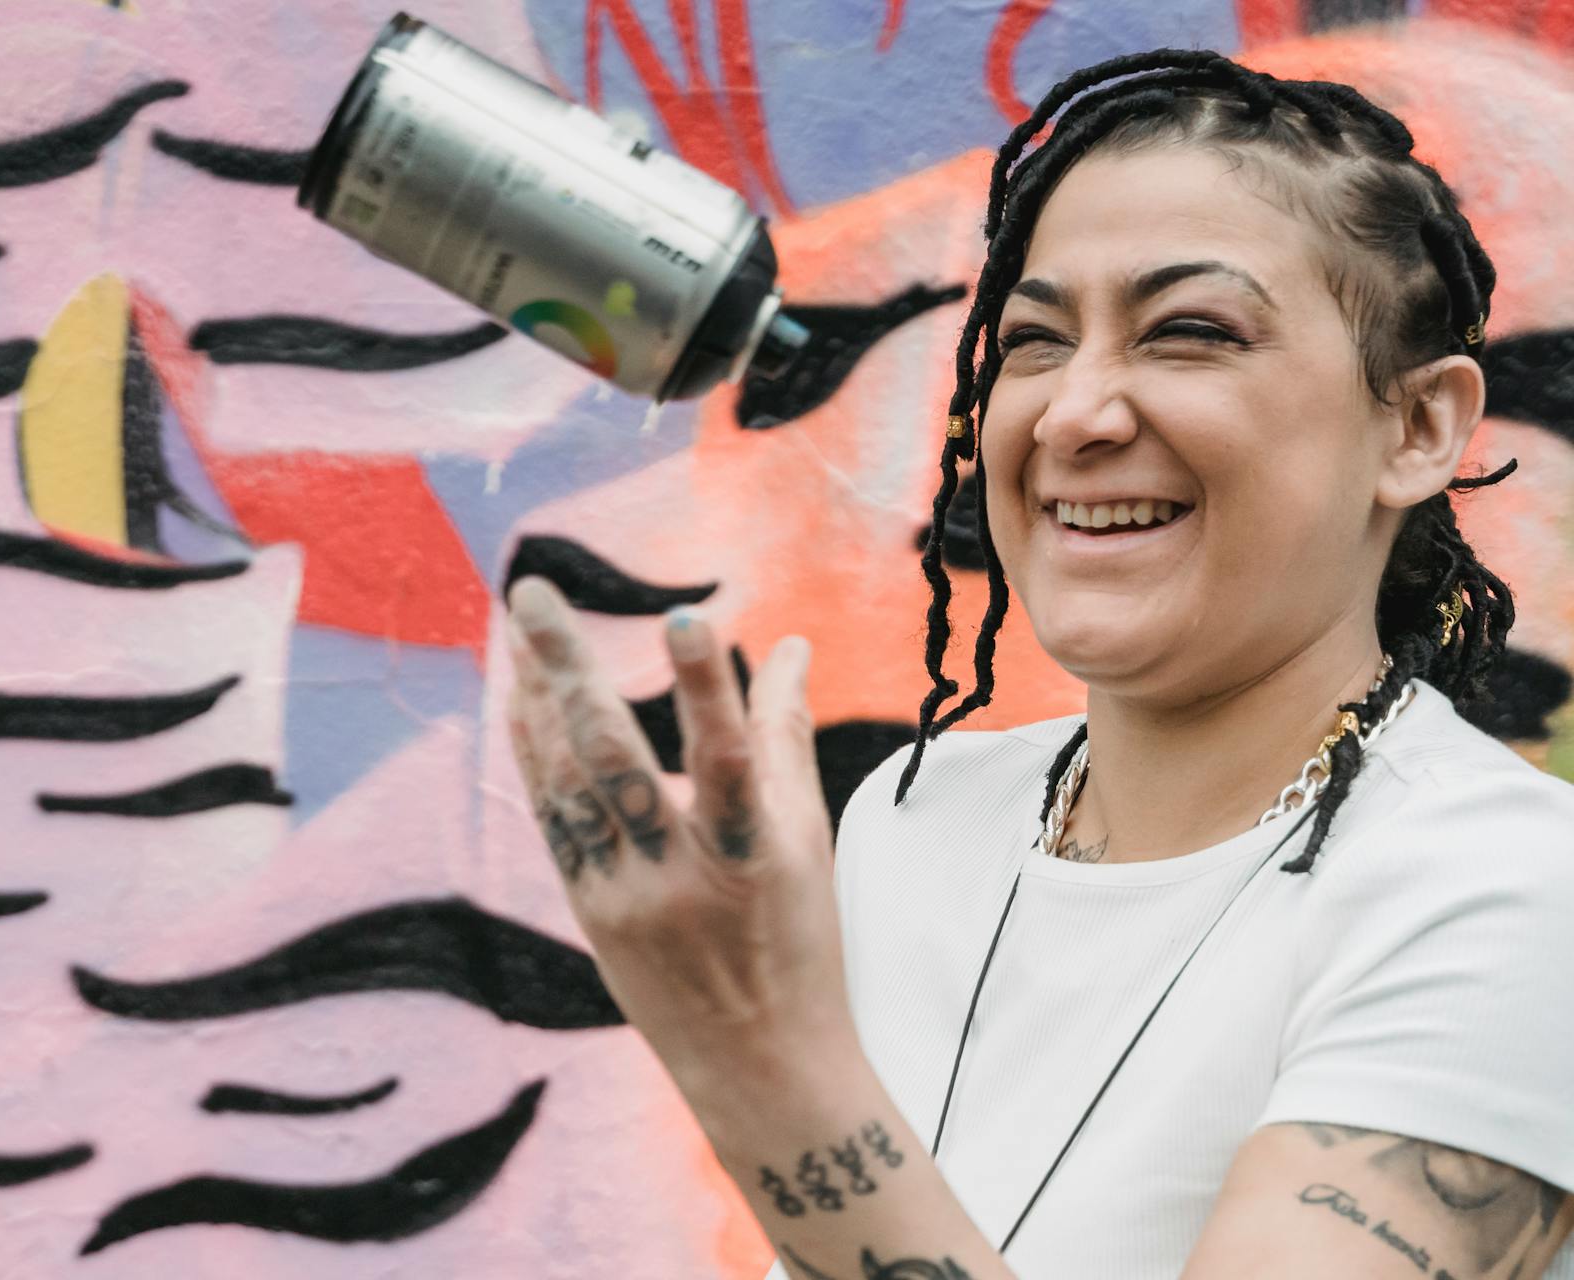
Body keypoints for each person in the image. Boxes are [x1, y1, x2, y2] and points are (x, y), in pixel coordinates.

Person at [504, 48, 1574, 1280]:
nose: (1075, 414)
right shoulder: (914, 821)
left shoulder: (1505, 889)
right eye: (1034, 340)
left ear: (1419, 424)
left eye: (1191, 331)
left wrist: (757, 1060)